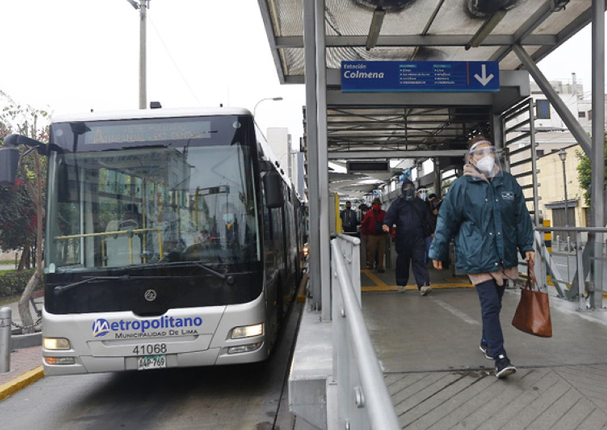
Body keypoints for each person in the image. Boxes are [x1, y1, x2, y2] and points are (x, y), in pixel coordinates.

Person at [429, 136, 535, 380]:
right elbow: (446, 218)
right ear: (470, 158)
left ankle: (487, 341)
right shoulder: (462, 186)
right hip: (477, 253)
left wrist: (526, 245)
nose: (486, 156)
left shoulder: (508, 182)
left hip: (503, 254)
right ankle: (500, 357)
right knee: (489, 304)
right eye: (479, 152)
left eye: (489, 151)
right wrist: (438, 249)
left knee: (496, 304)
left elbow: (520, 216)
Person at [382, 180, 434, 296]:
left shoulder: (420, 203)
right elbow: (390, 215)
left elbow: (428, 218)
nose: (408, 190)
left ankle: (423, 285)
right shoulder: (397, 203)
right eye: (406, 188)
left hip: (418, 237)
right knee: (402, 261)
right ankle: (401, 283)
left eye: (410, 187)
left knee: (419, 260)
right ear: (403, 190)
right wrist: (386, 224)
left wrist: (431, 231)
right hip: (403, 237)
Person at [361, 198, 388, 272]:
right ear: (372, 205)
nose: (377, 205)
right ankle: (371, 264)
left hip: (381, 236)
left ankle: (380, 266)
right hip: (372, 235)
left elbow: (388, 223)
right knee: (371, 251)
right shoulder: (369, 213)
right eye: (375, 204)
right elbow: (364, 224)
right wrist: (364, 234)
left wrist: (388, 233)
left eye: (378, 204)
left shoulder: (383, 213)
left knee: (381, 252)